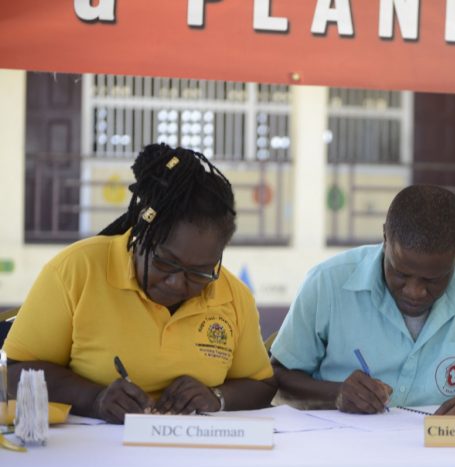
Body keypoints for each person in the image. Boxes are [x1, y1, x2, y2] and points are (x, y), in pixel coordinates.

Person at [4, 144, 276, 423]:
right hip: (91, 455)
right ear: (142, 232)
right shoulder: (77, 270)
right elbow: (15, 373)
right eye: (165, 263)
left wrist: (217, 398)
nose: (176, 283)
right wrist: (94, 399)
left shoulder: (233, 295)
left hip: (195, 457)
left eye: (199, 272)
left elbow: (262, 386)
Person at [270, 185, 455, 415]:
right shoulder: (328, 283)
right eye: (401, 273)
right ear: (385, 238)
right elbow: (278, 376)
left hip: (439, 456)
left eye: (433, 279)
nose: (414, 291)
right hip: (341, 454)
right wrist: (336, 395)